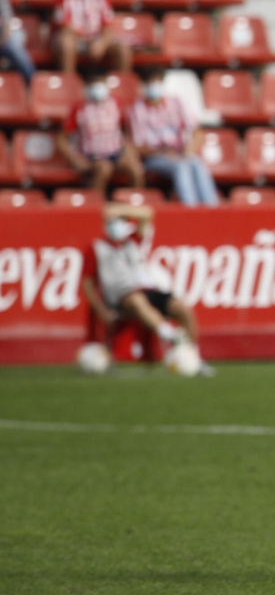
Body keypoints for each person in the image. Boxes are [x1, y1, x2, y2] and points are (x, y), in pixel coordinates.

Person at [80, 202, 212, 375]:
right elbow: (87, 283)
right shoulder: (97, 247)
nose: (113, 225)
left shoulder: (132, 241)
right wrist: (101, 309)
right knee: (137, 300)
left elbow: (148, 215)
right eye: (111, 222)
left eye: (118, 221)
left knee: (183, 309)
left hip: (147, 290)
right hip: (120, 296)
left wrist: (121, 209)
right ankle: (170, 336)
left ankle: (193, 358)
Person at [127, 76, 218, 205]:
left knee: (196, 163)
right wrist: (165, 153)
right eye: (150, 83)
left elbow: (196, 131)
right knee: (181, 166)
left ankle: (212, 208)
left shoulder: (175, 102)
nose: (153, 87)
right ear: (143, 86)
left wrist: (189, 150)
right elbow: (138, 146)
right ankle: (190, 208)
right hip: (155, 158)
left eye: (156, 83)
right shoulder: (137, 109)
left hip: (180, 153)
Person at [61, 79, 139, 196]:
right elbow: (61, 139)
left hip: (115, 153)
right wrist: (75, 159)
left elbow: (124, 130)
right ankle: (94, 206)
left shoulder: (116, 103)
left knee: (135, 169)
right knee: (104, 169)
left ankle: (137, 205)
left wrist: (127, 149)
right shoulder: (80, 108)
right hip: (92, 156)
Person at [52, 0, 130, 75]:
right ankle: (69, 83)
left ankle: (124, 86)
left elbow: (108, 26)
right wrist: (84, 40)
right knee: (66, 43)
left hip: (96, 39)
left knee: (122, 48)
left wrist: (101, 43)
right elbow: (64, 27)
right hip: (75, 40)